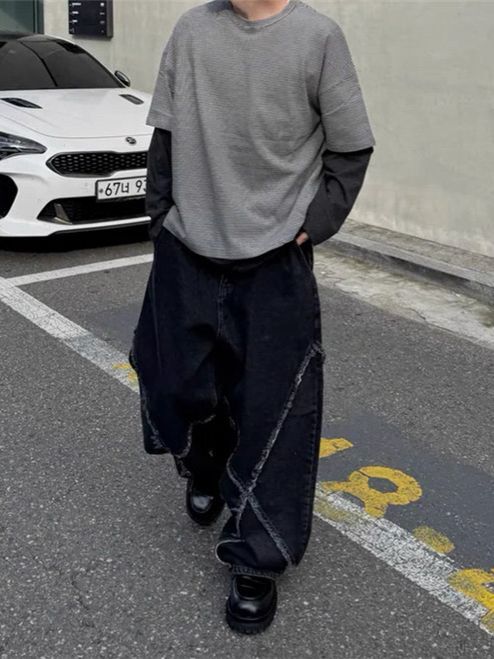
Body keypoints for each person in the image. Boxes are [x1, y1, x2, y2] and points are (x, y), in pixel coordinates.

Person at [130, 0, 375, 634]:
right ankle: (207, 460)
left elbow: (351, 148)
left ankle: (255, 558)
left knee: (274, 412)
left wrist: (313, 226)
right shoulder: (191, 31)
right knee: (172, 381)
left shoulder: (318, 37)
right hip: (187, 249)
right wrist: (161, 220)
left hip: (274, 261)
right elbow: (166, 135)